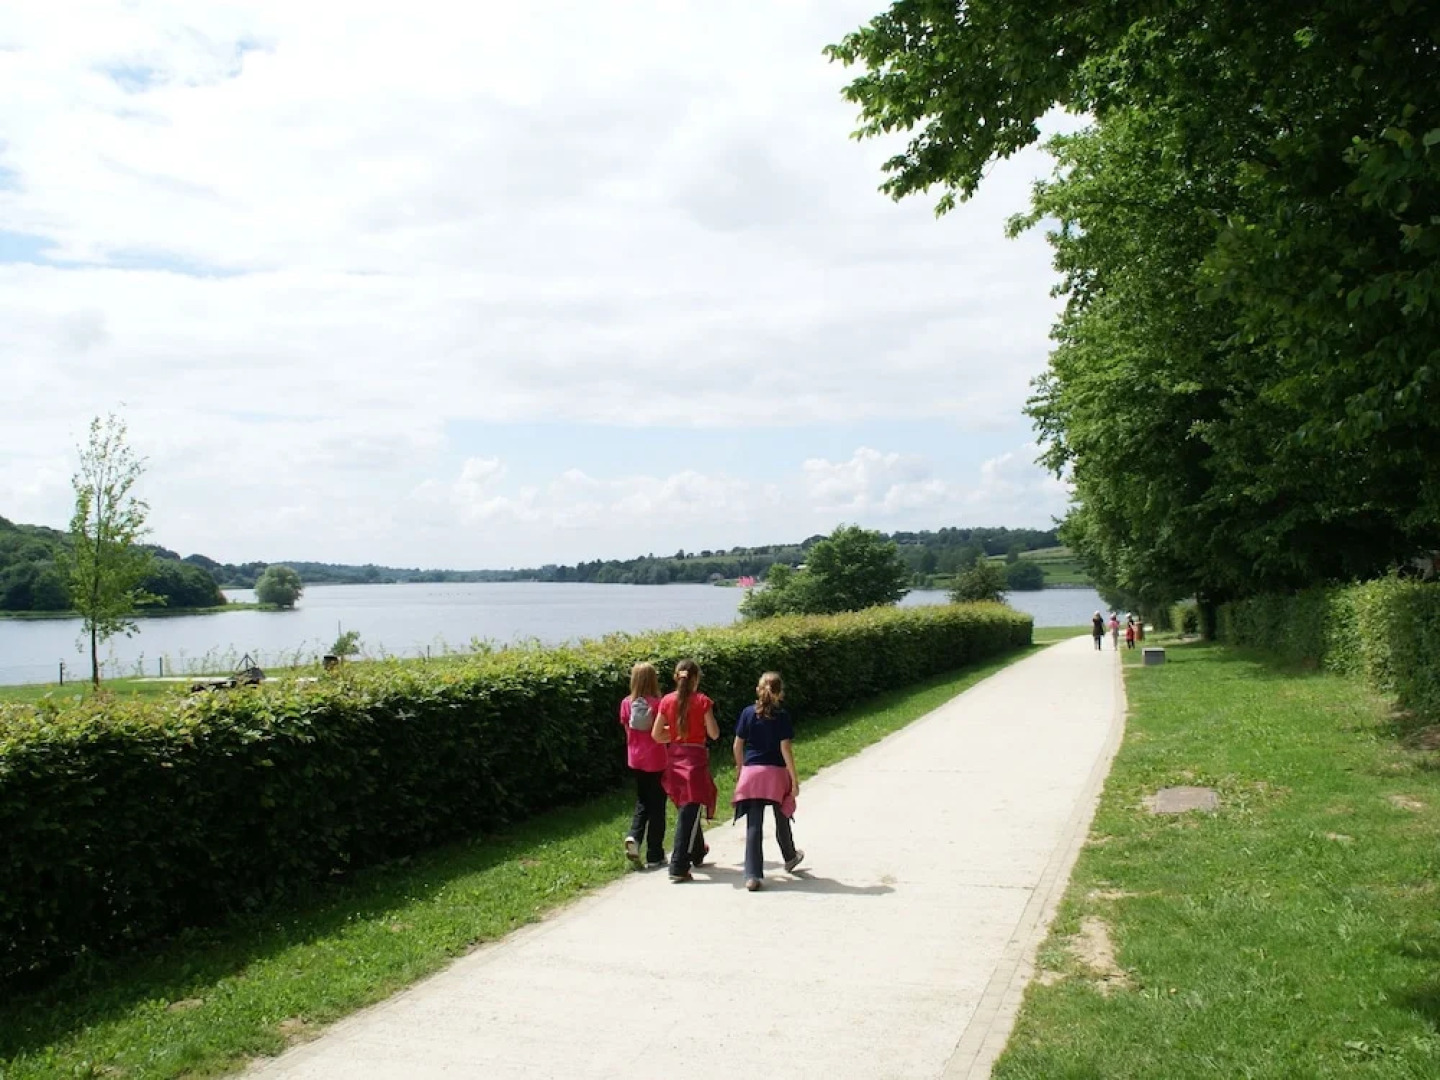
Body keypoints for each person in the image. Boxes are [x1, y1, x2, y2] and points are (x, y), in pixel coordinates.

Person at [732, 671, 803, 892]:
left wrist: (740, 769)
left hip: (752, 773)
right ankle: (790, 856)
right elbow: (785, 748)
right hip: (775, 774)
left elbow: (737, 745)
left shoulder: (747, 713)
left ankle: (752, 875)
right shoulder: (782, 716)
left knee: (754, 825)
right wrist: (794, 778)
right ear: (780, 692)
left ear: (758, 690)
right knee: (782, 815)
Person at [651, 658, 719, 882]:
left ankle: (698, 851)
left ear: (675, 677)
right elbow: (714, 733)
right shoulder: (702, 701)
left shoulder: (666, 701)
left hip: (674, 758)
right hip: (695, 760)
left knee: (688, 806)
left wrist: (676, 731)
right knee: (690, 809)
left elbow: (656, 734)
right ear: (696, 679)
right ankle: (679, 865)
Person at [619, 662, 667, 869]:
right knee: (657, 806)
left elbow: (626, 729)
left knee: (642, 800)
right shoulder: (659, 703)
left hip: (635, 758)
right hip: (656, 759)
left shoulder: (626, 703)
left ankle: (634, 837)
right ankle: (655, 854)